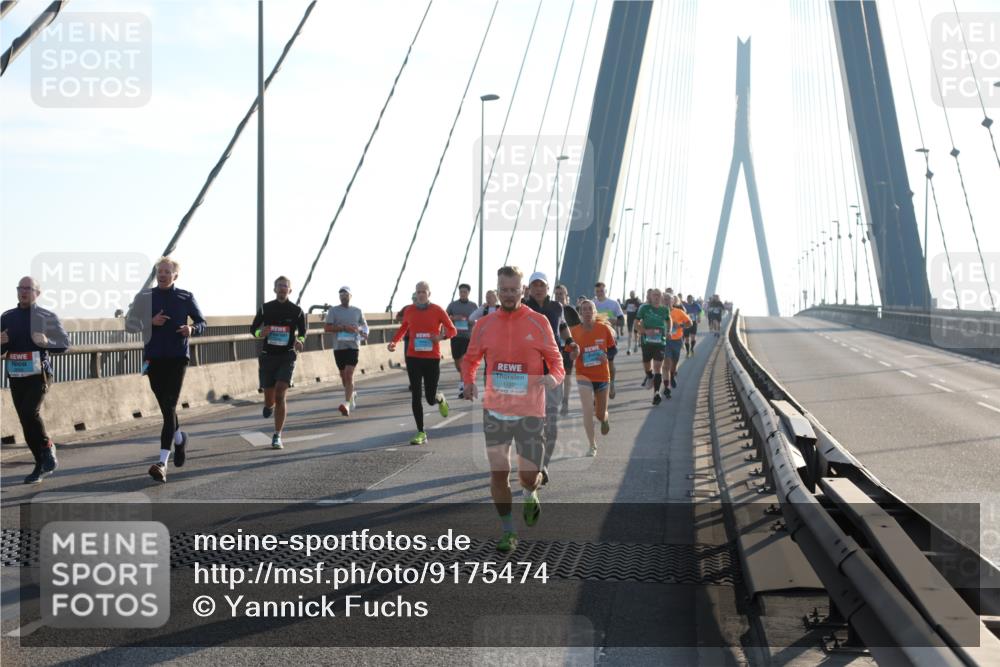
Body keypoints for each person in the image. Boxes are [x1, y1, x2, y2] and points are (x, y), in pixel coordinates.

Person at [462, 266, 565, 553]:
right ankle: (508, 531)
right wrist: (469, 381)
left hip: (530, 411)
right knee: (498, 473)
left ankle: (531, 492)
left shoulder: (539, 322)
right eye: (504, 290)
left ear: (524, 291)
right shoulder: (484, 324)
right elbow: (470, 360)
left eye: (513, 290)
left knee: (528, 477)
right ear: (498, 290)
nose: (509, 295)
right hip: (495, 411)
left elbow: (557, 362)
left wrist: (552, 378)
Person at [125, 257, 206, 482]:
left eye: (166, 272)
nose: (162, 275)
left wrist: (192, 329)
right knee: (166, 408)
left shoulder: (185, 296)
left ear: (175, 276)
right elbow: (129, 324)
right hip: (153, 359)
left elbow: (202, 322)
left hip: (178, 358)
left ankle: (162, 463)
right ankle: (180, 440)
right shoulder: (144, 297)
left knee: (169, 405)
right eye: (159, 271)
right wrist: (150, 322)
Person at [1, 277, 70, 484]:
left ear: (37, 293)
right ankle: (40, 464)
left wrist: (48, 342)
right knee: (24, 420)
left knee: (30, 412)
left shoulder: (47, 316)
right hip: (16, 375)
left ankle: (47, 446)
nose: (23, 291)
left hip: (40, 375)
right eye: (20, 288)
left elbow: (64, 344)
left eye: (28, 288)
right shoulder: (7, 317)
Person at [522, 272, 576, 486]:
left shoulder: (556, 307)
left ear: (547, 288)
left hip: (553, 369)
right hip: (529, 372)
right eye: (534, 286)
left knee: (551, 424)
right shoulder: (522, 307)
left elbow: (562, 328)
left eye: (541, 285)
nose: (538, 289)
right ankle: (532, 461)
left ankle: (544, 465)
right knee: (532, 424)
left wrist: (571, 342)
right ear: (529, 288)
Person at [388, 281, 456, 445]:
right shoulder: (410, 310)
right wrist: (394, 342)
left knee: (430, 398)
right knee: (416, 394)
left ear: (429, 294)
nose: (420, 294)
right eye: (418, 292)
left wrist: (439, 337)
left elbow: (453, 330)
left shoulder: (437, 310)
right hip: (413, 357)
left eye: (423, 292)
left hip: (432, 358)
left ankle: (440, 399)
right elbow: (404, 328)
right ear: (415, 294)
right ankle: (421, 432)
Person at [251, 276, 307, 449]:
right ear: (274, 289)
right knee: (270, 398)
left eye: (285, 286)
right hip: (268, 356)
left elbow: (303, 331)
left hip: (287, 356)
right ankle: (268, 406)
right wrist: (262, 333)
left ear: (290, 290)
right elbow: (253, 329)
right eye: (279, 286)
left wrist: (300, 340)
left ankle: (277, 435)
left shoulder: (296, 311)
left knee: (281, 393)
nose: (282, 289)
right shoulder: (265, 308)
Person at [568, 299, 616, 457]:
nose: (587, 312)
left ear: (595, 312)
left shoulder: (604, 329)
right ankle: (592, 445)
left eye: (590, 309)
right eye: (584, 309)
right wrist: (574, 354)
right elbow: (569, 354)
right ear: (580, 313)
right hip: (584, 376)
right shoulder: (573, 332)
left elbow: (612, 350)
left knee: (599, 413)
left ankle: (604, 419)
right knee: (587, 411)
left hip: (602, 376)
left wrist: (606, 356)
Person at [324, 286, 369, 417]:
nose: (343, 297)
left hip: (353, 346)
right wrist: (343, 327)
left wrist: (364, 333)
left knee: (349, 374)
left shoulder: (357, 311)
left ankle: (346, 404)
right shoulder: (333, 311)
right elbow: (327, 328)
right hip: (339, 347)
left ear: (350, 296)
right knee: (344, 377)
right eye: (341, 295)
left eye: (346, 295)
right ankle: (352, 393)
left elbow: (364, 326)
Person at [634, 288, 670, 404]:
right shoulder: (644, 308)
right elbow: (636, 323)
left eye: (658, 295)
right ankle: (649, 376)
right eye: (654, 295)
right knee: (647, 365)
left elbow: (669, 321)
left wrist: (669, 331)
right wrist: (643, 331)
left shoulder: (664, 309)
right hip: (646, 342)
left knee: (658, 367)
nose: (656, 297)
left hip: (660, 342)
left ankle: (656, 393)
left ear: (661, 297)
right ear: (650, 297)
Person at [592, 282, 625, 399]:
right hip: (594, 340)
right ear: (595, 292)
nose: (600, 293)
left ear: (606, 291)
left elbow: (622, 322)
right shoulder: (592, 304)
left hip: (609, 338)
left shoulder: (613, 304)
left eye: (602, 291)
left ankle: (611, 385)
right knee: (595, 365)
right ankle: (597, 394)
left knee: (609, 364)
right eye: (597, 291)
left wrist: (613, 320)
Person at [446, 283, 479, 399]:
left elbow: (478, 320)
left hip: (468, 337)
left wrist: (471, 322)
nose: (463, 294)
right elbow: (445, 317)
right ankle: (464, 379)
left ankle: (463, 388)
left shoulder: (473, 305)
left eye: (465, 292)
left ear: (468, 293)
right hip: (455, 336)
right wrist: (454, 318)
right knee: (458, 363)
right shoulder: (453, 305)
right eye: (461, 292)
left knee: (465, 362)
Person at [553, 284, 579, 415]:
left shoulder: (570, 310)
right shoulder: (551, 309)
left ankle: (565, 402)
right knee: (556, 376)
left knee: (567, 376)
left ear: (566, 296)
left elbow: (578, 328)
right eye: (556, 294)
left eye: (561, 294)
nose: (558, 296)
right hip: (554, 348)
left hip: (568, 347)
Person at [665, 294, 693, 395]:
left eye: (668, 299)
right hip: (665, 341)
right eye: (664, 299)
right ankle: (666, 386)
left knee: (674, 362)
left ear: (673, 301)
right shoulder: (659, 312)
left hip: (676, 341)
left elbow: (690, 323)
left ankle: (672, 376)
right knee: (667, 363)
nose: (666, 301)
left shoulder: (679, 312)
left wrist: (680, 325)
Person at [624, 290, 642, 355]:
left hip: (636, 319)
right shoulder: (628, 301)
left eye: (633, 294)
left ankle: (636, 344)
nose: (631, 295)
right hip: (629, 318)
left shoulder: (637, 301)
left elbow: (640, 308)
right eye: (630, 294)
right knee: (629, 334)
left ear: (635, 294)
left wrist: (636, 307)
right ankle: (629, 349)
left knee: (635, 333)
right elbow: (624, 308)